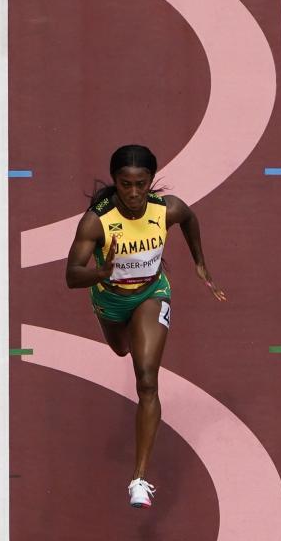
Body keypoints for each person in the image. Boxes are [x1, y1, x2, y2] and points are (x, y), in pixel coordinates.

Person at [65, 144, 225, 508]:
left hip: (153, 292)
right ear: (116, 182)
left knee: (147, 379)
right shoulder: (97, 221)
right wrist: (99, 273)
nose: (134, 193)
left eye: (141, 184)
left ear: (151, 181)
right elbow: (71, 276)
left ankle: (139, 479)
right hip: (110, 300)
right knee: (121, 348)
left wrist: (200, 263)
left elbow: (189, 219)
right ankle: (127, 333)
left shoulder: (165, 209)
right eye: (125, 184)